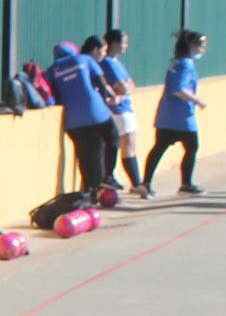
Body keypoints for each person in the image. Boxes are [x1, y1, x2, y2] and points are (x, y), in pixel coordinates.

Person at [144, 30, 210, 197]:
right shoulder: (186, 64)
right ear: (192, 46)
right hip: (181, 117)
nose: (203, 49)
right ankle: (186, 184)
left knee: (159, 148)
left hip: (167, 115)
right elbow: (178, 89)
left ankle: (146, 183)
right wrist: (197, 100)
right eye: (202, 46)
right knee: (192, 146)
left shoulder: (176, 62)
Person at [47, 40, 118, 193]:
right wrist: (111, 98)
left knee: (85, 154)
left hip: (72, 120)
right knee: (112, 138)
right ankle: (107, 177)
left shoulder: (52, 70)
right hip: (96, 113)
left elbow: (53, 95)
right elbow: (102, 84)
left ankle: (90, 190)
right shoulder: (85, 59)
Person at [99, 29, 149, 196]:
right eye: (123, 42)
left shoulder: (118, 63)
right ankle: (134, 182)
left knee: (128, 144)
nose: (126, 46)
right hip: (117, 110)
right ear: (113, 43)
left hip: (126, 107)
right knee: (126, 144)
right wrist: (125, 87)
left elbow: (130, 85)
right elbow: (122, 87)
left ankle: (131, 181)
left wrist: (126, 87)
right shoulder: (106, 63)